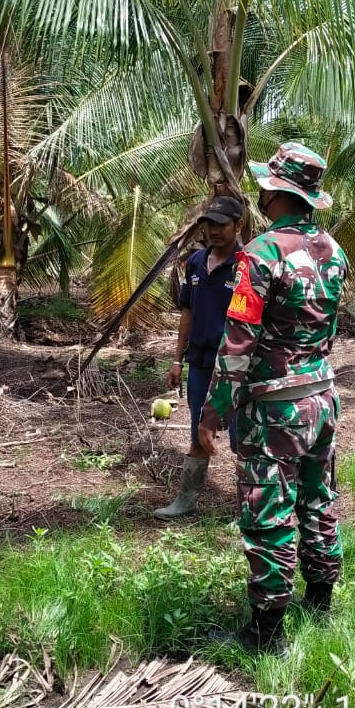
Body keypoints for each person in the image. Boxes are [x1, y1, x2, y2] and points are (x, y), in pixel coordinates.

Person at [198, 142, 348, 655]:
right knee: (318, 499)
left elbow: (237, 342)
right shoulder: (334, 250)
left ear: (275, 192)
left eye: (265, 186)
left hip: (275, 407)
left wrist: (213, 409)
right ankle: (322, 601)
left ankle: (266, 632)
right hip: (322, 397)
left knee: (269, 511)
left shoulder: (262, 253)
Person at [154, 195, 244, 519]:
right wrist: (177, 359)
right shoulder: (194, 263)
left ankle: (246, 509)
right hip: (201, 359)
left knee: (241, 437)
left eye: (222, 225)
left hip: (235, 363)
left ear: (238, 225)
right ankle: (186, 499)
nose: (214, 231)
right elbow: (187, 311)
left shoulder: (247, 265)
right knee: (197, 429)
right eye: (209, 224)